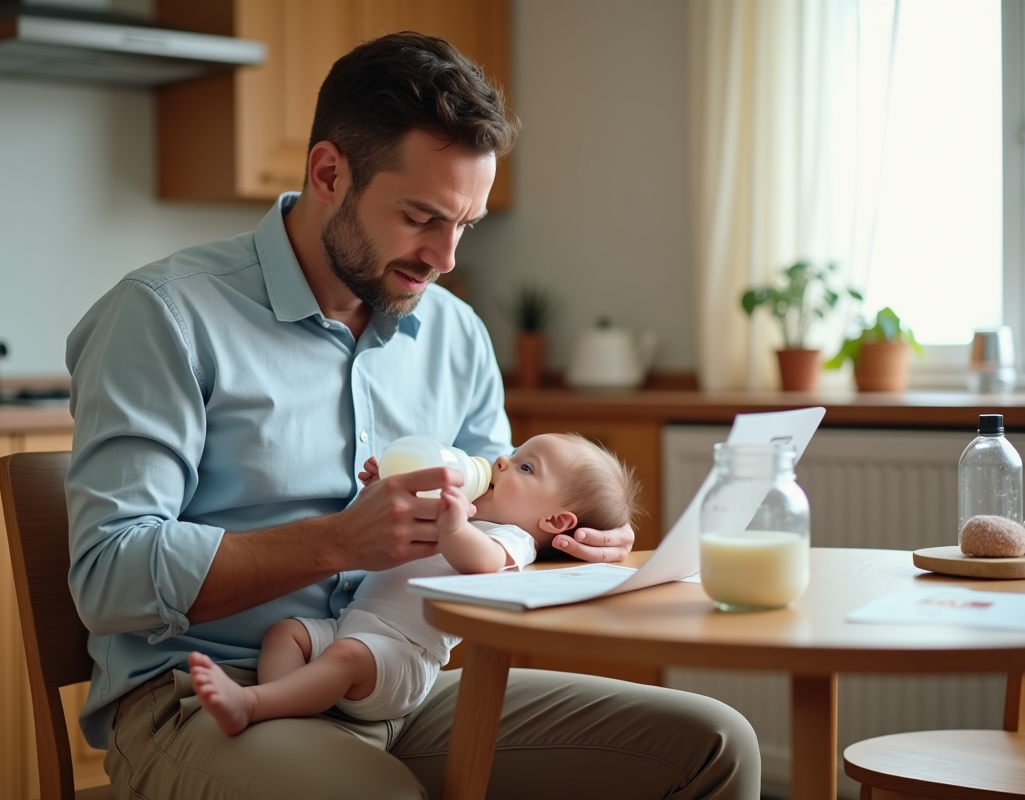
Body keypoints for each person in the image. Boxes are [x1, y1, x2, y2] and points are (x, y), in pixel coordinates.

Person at [65, 30, 760, 800]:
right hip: (207, 695)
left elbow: (501, 519)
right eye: (422, 217)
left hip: (403, 685)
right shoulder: (165, 316)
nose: (447, 257)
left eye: (465, 225)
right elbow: (108, 574)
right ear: (329, 173)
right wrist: (337, 541)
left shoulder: (455, 333)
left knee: (713, 745)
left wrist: (572, 541)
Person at [188, 432, 639, 733]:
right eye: (515, 453)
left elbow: (480, 563)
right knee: (286, 633)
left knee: (347, 656)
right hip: (351, 626)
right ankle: (286, 710)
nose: (503, 459)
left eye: (526, 468)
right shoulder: (470, 517)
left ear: (555, 521)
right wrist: (386, 489)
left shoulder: (512, 541)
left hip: (401, 658)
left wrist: (453, 524)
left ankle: (254, 706)